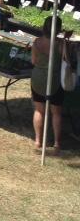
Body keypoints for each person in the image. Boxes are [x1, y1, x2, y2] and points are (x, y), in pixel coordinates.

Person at [31, 16, 65, 154]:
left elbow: (33, 61)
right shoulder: (60, 44)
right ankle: (57, 143)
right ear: (58, 29)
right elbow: (65, 59)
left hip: (38, 77)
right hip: (54, 78)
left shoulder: (37, 42)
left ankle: (38, 140)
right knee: (56, 111)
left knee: (39, 110)